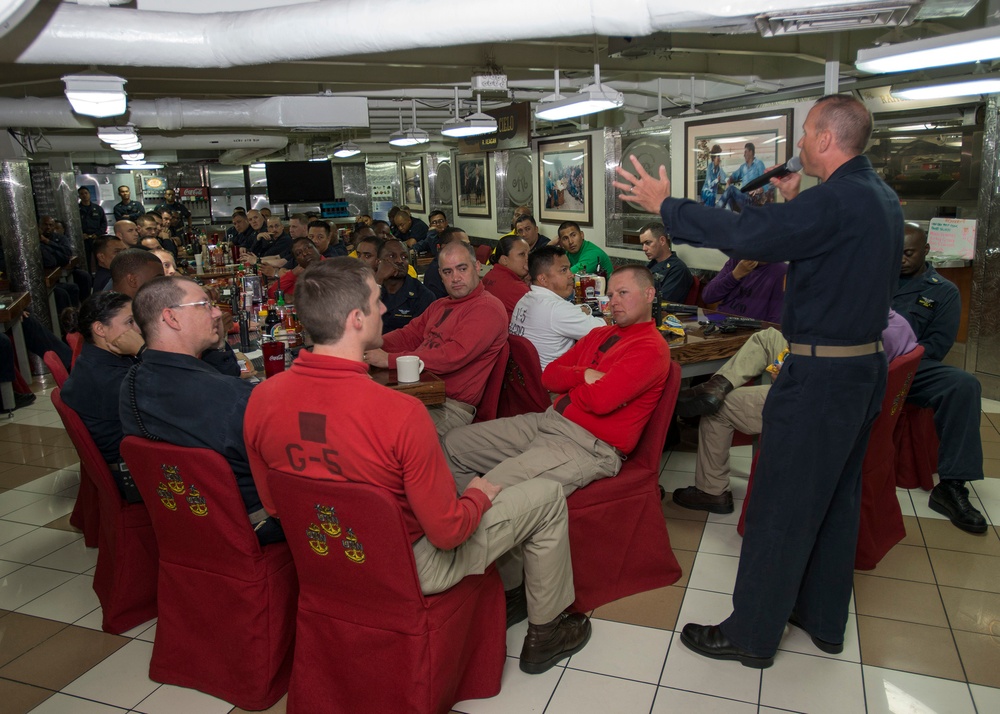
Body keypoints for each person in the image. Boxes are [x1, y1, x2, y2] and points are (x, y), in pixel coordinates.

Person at [615, 94, 902, 667]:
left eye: (805, 135)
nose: (797, 146)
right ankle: (820, 618)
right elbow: (821, 253)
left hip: (821, 373)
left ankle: (751, 633)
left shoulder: (839, 201)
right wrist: (794, 207)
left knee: (781, 502)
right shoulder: (878, 198)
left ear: (825, 139)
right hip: (861, 370)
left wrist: (666, 205)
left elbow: (747, 237)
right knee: (836, 499)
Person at [243, 258, 590, 674]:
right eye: (376, 302)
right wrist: (477, 496)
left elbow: (278, 504)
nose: (385, 309)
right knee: (547, 496)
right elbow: (448, 532)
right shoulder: (401, 413)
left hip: (323, 552)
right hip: (405, 565)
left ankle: (513, 596)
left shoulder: (261, 399)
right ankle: (547, 633)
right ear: (356, 319)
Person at [445, 265, 671, 500]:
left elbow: (600, 400)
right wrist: (582, 375)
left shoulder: (650, 347)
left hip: (586, 445)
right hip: (549, 421)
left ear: (649, 295)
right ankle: (474, 523)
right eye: (611, 295)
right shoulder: (598, 334)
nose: (613, 302)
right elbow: (549, 377)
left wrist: (572, 389)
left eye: (623, 293)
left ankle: (472, 521)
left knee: (487, 489)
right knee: (452, 445)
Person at [673, 313, 918, 513]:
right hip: (838, 387)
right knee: (768, 337)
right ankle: (717, 386)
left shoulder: (857, 330)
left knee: (721, 407)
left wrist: (790, 373)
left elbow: (830, 383)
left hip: (823, 406)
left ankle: (711, 491)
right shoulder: (895, 321)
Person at [121, 275, 283, 544]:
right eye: (205, 305)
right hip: (250, 527)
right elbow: (279, 467)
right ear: (171, 318)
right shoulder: (232, 398)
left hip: (182, 520)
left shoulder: (131, 383)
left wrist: (217, 344)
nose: (218, 312)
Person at [893, 223, 987, 533]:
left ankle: (952, 485)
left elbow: (935, 347)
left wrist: (896, 360)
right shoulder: (873, 278)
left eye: (908, 253)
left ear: (926, 252)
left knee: (963, 385)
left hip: (910, 368)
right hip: (861, 361)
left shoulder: (943, 291)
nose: (900, 259)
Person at [365, 241, 508, 436]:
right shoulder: (440, 305)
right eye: (447, 272)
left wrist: (388, 360)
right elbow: (408, 334)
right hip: (418, 393)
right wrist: (369, 345)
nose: (455, 278)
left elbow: (452, 356)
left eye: (462, 268)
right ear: (440, 275)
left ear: (477, 267)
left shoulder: (487, 308)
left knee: (380, 436)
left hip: (449, 407)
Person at [62, 292, 145, 501]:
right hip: (135, 476)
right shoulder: (111, 380)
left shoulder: (94, 360)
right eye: (129, 322)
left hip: (126, 461)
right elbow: (172, 394)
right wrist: (143, 350)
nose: (138, 328)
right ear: (100, 329)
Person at [509, 245, 607, 371]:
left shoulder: (524, 301)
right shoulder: (556, 309)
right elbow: (603, 332)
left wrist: (578, 311)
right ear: (543, 279)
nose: (571, 274)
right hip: (552, 384)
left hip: (526, 381)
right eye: (563, 270)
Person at [701, 257, 787, 324]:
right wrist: (734, 275)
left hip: (750, 335)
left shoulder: (782, 272)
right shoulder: (737, 260)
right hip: (720, 325)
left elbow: (775, 321)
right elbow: (708, 296)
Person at [376, 238, 434, 333]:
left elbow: (417, 337)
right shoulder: (367, 288)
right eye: (392, 256)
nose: (399, 261)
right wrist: (378, 279)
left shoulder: (423, 296)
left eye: (404, 257)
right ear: (379, 262)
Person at [640, 222, 693, 304]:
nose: (644, 248)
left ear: (662, 240)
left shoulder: (677, 269)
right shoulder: (652, 265)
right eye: (642, 244)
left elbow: (663, 302)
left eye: (648, 243)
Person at [481, 235, 530, 319]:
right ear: (504, 260)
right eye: (522, 254)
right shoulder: (516, 288)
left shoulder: (489, 275)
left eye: (528, 254)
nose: (528, 259)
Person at [718, 142, 769, 213]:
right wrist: (729, 181)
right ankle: (728, 221)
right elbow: (734, 176)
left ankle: (715, 211)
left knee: (731, 188)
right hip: (743, 197)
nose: (744, 155)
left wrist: (759, 189)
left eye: (745, 152)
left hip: (752, 199)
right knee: (730, 199)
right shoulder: (743, 167)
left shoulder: (759, 164)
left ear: (750, 152)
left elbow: (766, 183)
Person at [423, 226, 469, 300]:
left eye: (468, 245)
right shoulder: (436, 271)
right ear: (445, 247)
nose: (468, 249)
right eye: (463, 245)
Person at [78, 187, 107, 271]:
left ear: (89, 194)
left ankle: (100, 275)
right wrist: (81, 235)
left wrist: (98, 234)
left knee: (100, 258)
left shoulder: (98, 208)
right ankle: (89, 278)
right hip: (84, 239)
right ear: (79, 196)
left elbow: (103, 223)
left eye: (86, 193)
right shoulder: (77, 210)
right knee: (85, 260)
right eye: (82, 194)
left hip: (96, 238)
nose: (84, 195)